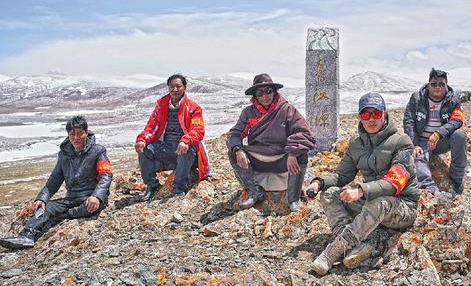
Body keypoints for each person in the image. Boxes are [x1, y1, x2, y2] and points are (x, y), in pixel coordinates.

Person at [305, 93, 419, 275]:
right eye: (366, 114)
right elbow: (342, 175)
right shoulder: (356, 144)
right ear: (360, 117)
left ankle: (332, 253)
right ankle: (353, 247)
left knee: (379, 202)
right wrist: (318, 183)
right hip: (371, 204)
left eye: (376, 113)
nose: (371, 119)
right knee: (330, 193)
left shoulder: (401, 141)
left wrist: (361, 190)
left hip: (402, 208)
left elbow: (395, 181)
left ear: (384, 114)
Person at [0, 116, 112, 250]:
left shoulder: (98, 151)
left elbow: (106, 175)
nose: (76, 138)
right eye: (72, 134)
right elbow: (54, 180)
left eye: (79, 134)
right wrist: (42, 198)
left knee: (88, 208)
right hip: (71, 198)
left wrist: (97, 196)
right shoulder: (64, 154)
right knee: (44, 209)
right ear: (68, 135)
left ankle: (61, 215)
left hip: (90, 198)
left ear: (86, 132)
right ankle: (26, 236)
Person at [227, 73, 315, 212]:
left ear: (274, 92)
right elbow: (235, 134)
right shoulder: (248, 113)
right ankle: (255, 192)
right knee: (233, 153)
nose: (265, 96)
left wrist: (292, 153)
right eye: (259, 93)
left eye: (268, 91)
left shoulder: (287, 110)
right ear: (254, 96)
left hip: (282, 158)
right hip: (259, 158)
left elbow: (303, 132)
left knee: (301, 153)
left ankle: (293, 198)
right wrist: (238, 149)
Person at [135, 74, 209, 200]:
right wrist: (142, 139)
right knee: (145, 149)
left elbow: (198, 130)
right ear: (168, 88)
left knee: (187, 150)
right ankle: (152, 186)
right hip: (167, 148)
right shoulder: (161, 106)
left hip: (185, 149)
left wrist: (186, 140)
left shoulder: (193, 108)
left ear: (184, 88)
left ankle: (179, 187)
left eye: (178, 86)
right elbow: (151, 126)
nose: (175, 89)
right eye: (172, 86)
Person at [403, 68, 466, 194]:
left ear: (446, 86)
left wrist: (438, 134)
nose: (437, 87)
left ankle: (457, 179)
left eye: (442, 84)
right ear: (428, 84)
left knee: (460, 135)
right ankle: (428, 187)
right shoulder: (417, 98)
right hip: (421, 141)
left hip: (441, 141)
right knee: (417, 155)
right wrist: (414, 144)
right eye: (434, 84)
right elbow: (409, 121)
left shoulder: (453, 99)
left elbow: (457, 120)